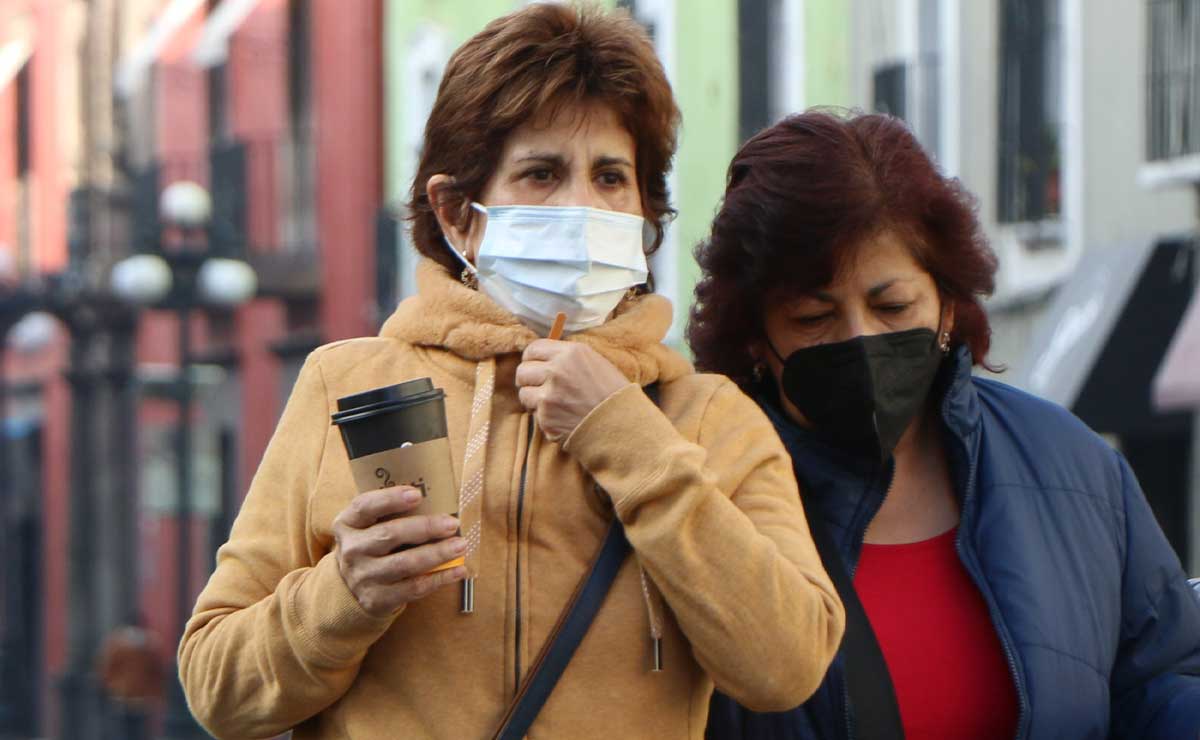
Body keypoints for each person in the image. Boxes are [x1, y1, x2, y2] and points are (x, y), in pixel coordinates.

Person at [178, 7, 844, 739]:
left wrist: (628, 437)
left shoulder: (708, 417)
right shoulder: (348, 385)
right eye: (541, 174)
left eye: (612, 177)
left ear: (646, 214)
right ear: (458, 214)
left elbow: (787, 667)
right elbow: (217, 688)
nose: (583, 206)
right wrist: (343, 595)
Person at [692, 110, 1200, 740]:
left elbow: (1161, 681)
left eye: (892, 305)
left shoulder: (1075, 470)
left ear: (948, 304)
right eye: (811, 316)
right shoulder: (699, 497)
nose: (861, 339)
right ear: (751, 339)